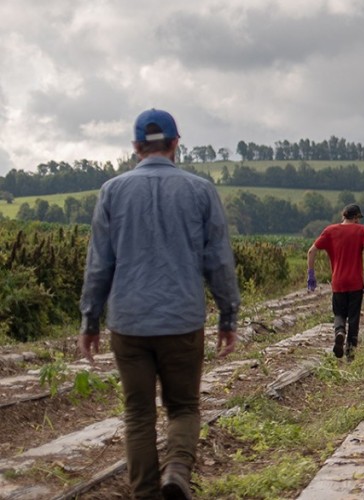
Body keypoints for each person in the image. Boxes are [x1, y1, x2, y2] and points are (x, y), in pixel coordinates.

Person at [78, 108, 240, 500]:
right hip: (182, 320)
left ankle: (146, 494)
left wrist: (89, 321)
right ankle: (178, 471)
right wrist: (227, 315)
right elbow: (217, 259)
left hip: (129, 323)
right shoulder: (201, 191)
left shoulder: (112, 191)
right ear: (175, 145)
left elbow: (100, 263)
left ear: (135, 147)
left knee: (138, 414)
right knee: (183, 407)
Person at [307, 204, 364, 361]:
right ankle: (350, 353)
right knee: (354, 317)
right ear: (356, 217)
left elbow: (311, 251)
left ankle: (339, 332)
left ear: (344, 216)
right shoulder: (363, 230)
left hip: (338, 282)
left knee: (339, 313)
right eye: (358, 218)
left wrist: (311, 273)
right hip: (355, 282)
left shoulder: (330, 231)